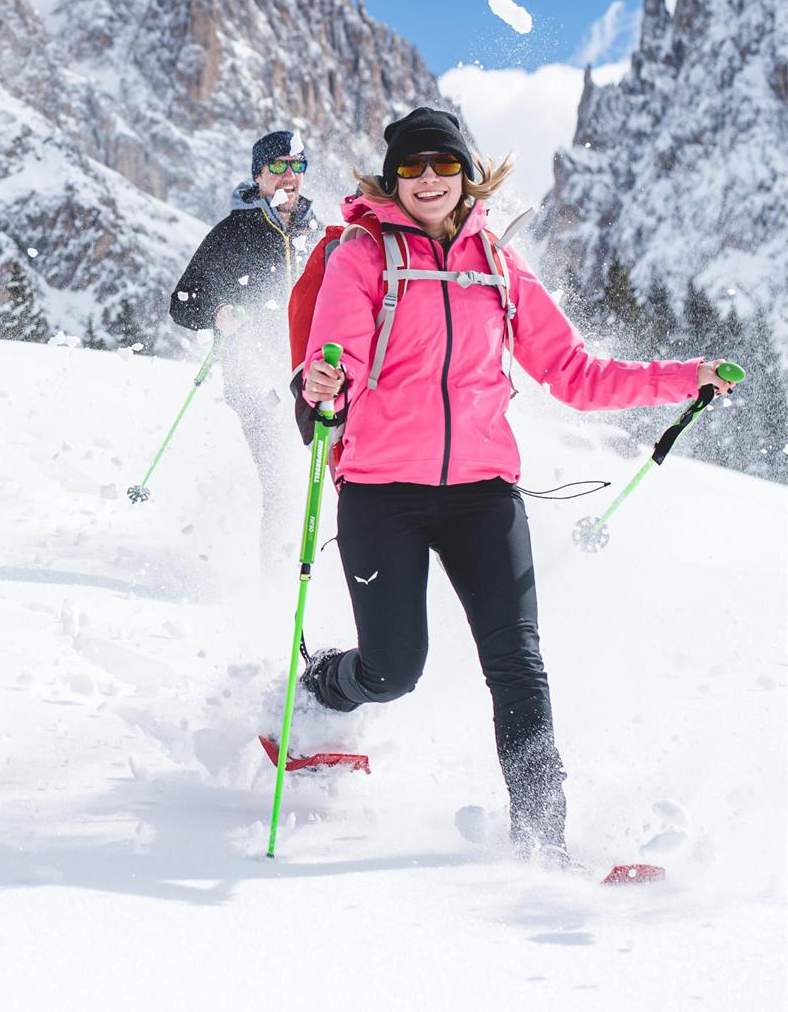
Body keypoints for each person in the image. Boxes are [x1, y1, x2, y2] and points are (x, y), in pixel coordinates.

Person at [296, 106, 733, 864]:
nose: (428, 179)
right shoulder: (363, 257)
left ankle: (543, 844)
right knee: (392, 670)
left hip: (483, 494)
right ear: (392, 176)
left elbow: (576, 373)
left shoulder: (496, 263)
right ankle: (321, 686)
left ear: (467, 174)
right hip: (382, 492)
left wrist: (683, 377)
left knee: (519, 665)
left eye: (444, 165)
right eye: (412, 166)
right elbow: (340, 365)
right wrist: (325, 381)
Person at [168, 129, 322, 566]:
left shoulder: (317, 232)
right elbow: (182, 302)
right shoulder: (232, 233)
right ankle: (276, 584)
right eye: (278, 166)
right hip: (253, 380)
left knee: (328, 480)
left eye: (297, 165)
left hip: (311, 377)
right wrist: (216, 313)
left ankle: (323, 578)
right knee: (283, 481)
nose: (289, 175)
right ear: (259, 175)